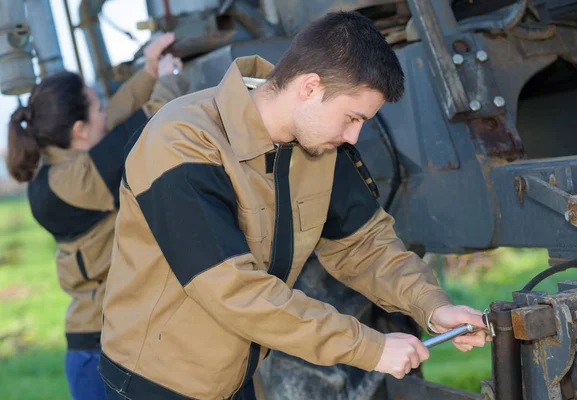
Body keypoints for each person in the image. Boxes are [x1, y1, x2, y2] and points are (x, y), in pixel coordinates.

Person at [99, 12, 490, 400]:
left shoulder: (318, 143)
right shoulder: (181, 141)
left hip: (233, 379)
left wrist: (432, 307)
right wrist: (370, 348)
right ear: (310, 87)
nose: (354, 135)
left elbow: (364, 246)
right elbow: (233, 290)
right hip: (155, 385)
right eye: (352, 117)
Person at [6, 33, 189, 400]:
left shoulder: (59, 170)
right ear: (78, 131)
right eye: (95, 107)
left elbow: (115, 118)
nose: (104, 111)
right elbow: (149, 126)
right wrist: (171, 79)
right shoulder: (78, 180)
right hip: (104, 354)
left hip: (95, 346)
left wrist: (151, 68)